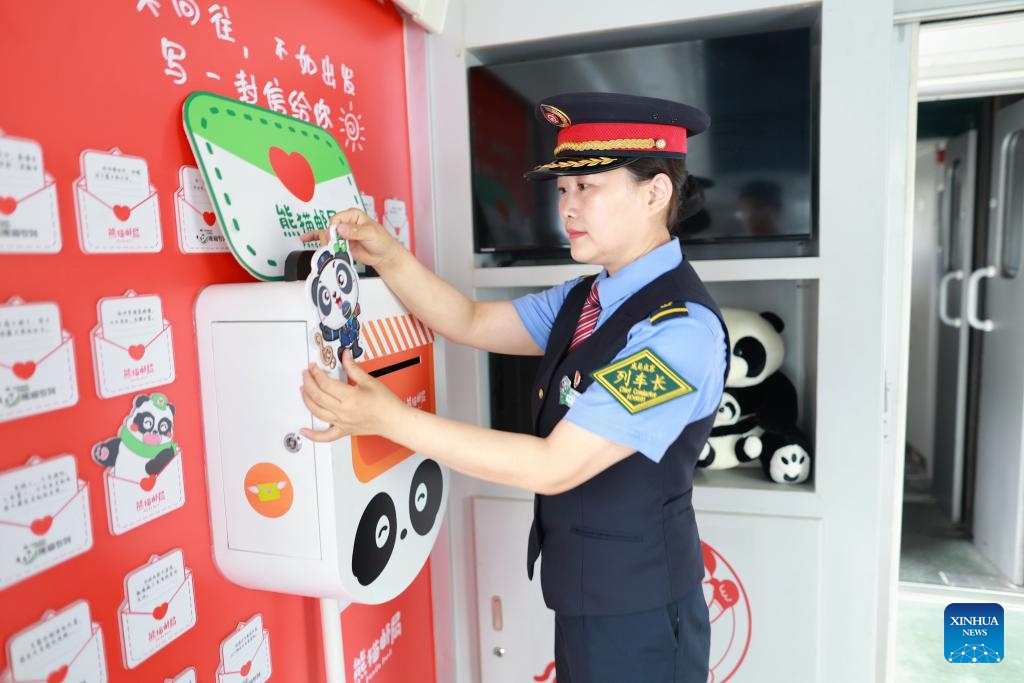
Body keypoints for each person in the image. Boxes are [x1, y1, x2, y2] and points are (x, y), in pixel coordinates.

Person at [299, 91, 729, 683]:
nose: (568, 209)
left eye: (589, 188)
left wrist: (390, 419)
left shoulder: (680, 332)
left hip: (642, 612)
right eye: (563, 191)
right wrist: (388, 255)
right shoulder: (588, 298)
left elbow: (555, 465)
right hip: (586, 591)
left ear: (655, 193)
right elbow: (469, 322)